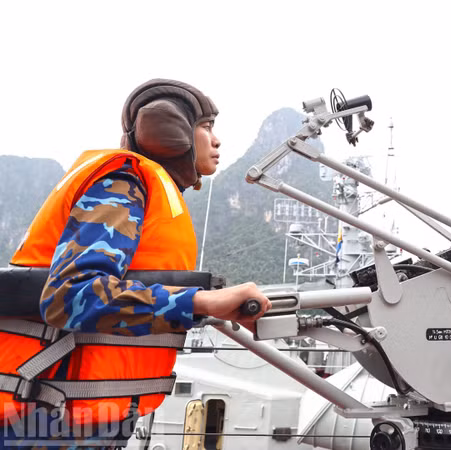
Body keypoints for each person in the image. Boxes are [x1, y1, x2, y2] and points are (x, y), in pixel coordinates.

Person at [0, 79, 271, 448]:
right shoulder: (122, 183)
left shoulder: (143, 189)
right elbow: (71, 295)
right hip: (47, 421)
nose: (217, 140)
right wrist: (198, 302)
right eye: (206, 126)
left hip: (76, 419)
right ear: (169, 129)